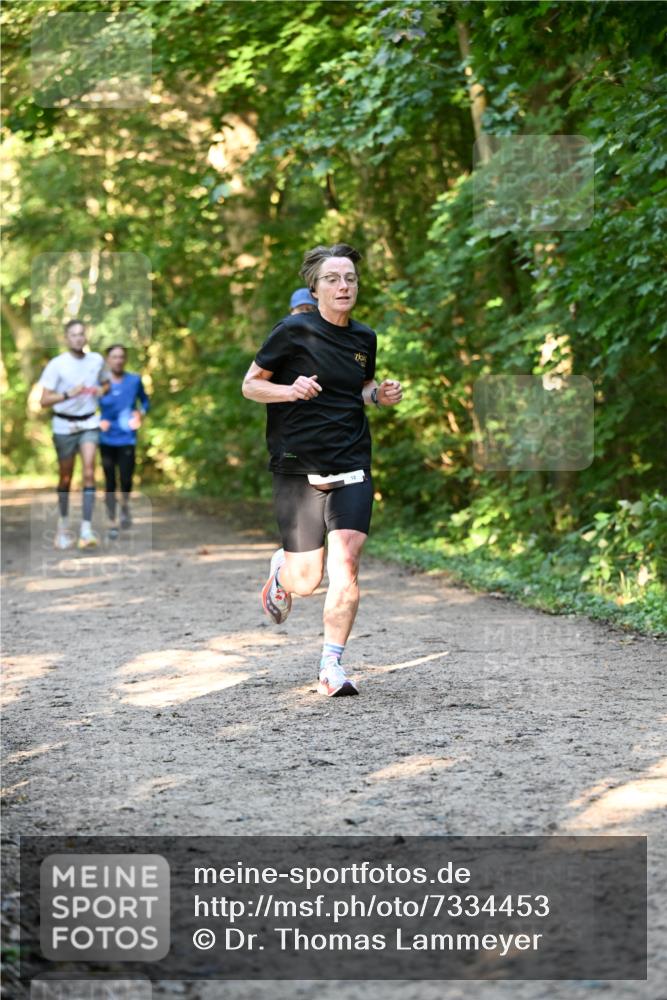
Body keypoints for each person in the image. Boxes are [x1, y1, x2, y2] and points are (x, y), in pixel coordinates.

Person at [242, 243, 403, 697]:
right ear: (315, 289)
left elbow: (360, 388)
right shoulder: (293, 331)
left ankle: (331, 665)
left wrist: (379, 395)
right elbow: (250, 385)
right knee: (306, 580)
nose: (343, 286)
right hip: (298, 466)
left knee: (346, 562)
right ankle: (283, 571)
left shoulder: (364, 338)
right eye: (332, 279)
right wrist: (289, 390)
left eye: (350, 278)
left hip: (351, 460)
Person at [39, 319, 110, 550]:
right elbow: (44, 401)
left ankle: (86, 531)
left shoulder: (96, 360)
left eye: (81, 334)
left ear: (86, 336)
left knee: (89, 472)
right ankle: (63, 525)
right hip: (64, 426)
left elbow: (106, 383)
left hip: (89, 422)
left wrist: (101, 389)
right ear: (66, 338)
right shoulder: (57, 365)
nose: (78, 338)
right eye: (73, 335)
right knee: (66, 478)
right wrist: (69, 394)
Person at [98, 344, 150, 538]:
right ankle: (112, 521)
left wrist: (140, 414)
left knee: (126, 479)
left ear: (125, 359)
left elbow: (145, 401)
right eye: (114, 357)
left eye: (121, 357)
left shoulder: (134, 380)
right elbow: (86, 405)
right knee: (110, 482)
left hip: (127, 438)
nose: (118, 360)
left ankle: (125, 506)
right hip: (106, 439)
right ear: (108, 360)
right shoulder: (100, 383)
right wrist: (97, 421)